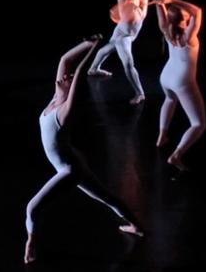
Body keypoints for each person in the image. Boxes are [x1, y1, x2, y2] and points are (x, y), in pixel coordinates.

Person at [24, 34, 144, 264]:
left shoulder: (64, 112)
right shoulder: (56, 97)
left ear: (71, 89)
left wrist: (93, 50)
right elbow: (65, 60)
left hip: (69, 170)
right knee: (107, 197)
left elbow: (78, 71)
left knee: (31, 208)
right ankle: (136, 226)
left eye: (67, 79)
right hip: (73, 160)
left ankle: (31, 243)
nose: (63, 77)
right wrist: (89, 43)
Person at [87, 0, 167, 104]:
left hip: (123, 29)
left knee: (107, 49)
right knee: (128, 64)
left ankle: (93, 69)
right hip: (124, 35)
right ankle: (140, 93)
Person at [153, 0, 206, 171]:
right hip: (181, 81)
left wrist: (160, 3)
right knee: (198, 124)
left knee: (169, 100)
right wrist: (172, 0)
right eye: (186, 15)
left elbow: (163, 16)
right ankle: (176, 155)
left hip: (166, 76)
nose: (189, 15)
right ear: (183, 20)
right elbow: (197, 11)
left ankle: (161, 136)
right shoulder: (188, 37)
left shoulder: (166, 30)